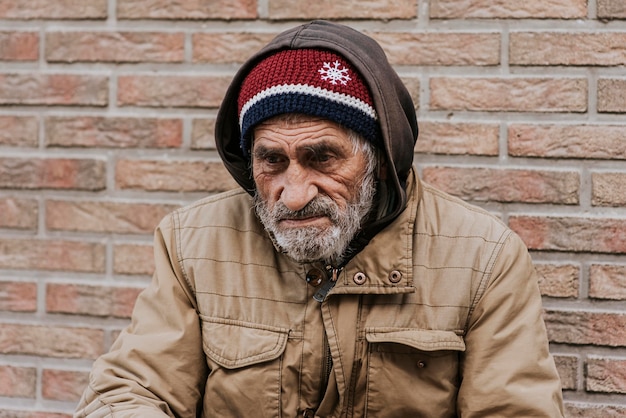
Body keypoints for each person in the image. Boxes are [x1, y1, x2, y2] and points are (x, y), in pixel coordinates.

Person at [75, 20, 564, 417]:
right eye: (272, 161)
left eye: (322, 157)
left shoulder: (483, 256)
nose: (293, 194)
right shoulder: (192, 243)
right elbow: (128, 391)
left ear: (379, 157)